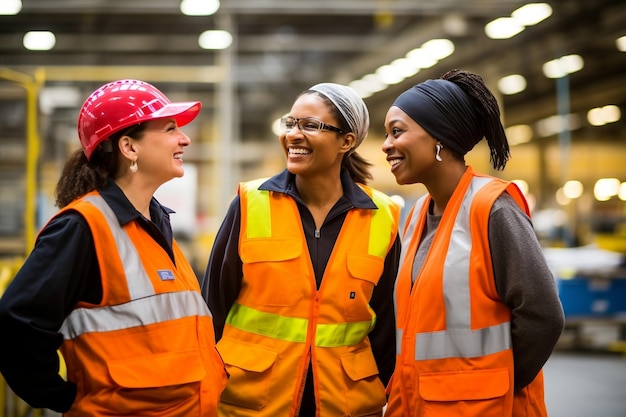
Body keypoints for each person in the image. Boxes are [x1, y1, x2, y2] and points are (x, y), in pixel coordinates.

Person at [0, 79, 227, 416]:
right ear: (129, 148)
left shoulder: (155, 221)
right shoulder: (82, 227)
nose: (184, 139)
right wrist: (60, 397)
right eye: (169, 129)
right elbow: (16, 323)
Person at [202, 83, 401, 416]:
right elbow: (212, 311)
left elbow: (386, 327)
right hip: (253, 403)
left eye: (310, 125)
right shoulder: (250, 205)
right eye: (290, 123)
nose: (293, 134)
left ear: (346, 141)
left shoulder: (382, 216)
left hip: (345, 404)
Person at [381, 69, 564, 417]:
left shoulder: (493, 208)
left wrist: (493, 382)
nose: (386, 145)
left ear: (439, 138)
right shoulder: (419, 213)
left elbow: (543, 316)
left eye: (397, 131)